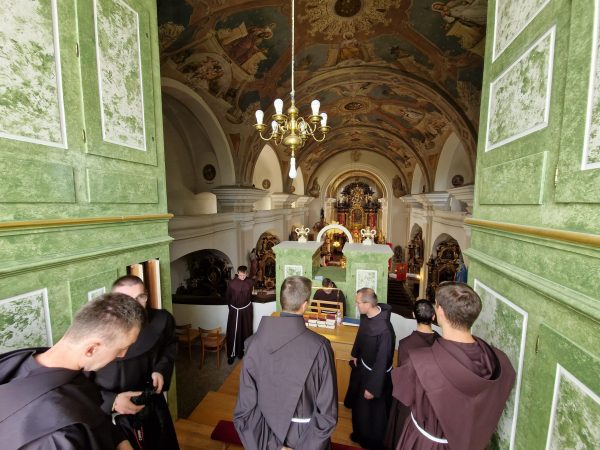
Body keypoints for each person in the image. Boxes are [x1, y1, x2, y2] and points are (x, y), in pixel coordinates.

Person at [0, 293, 146, 450]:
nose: (122, 355)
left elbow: (95, 416)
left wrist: (120, 441)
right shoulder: (57, 436)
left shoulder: (19, 360)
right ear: (91, 349)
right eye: (122, 348)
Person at [392, 282, 516, 450]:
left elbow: (404, 397)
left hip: (428, 445)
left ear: (440, 312)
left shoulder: (420, 362)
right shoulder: (501, 361)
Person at [233, 276, 338, 450]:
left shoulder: (252, 344)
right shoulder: (320, 348)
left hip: (263, 436)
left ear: (281, 301)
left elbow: (245, 409)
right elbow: (327, 413)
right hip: (306, 439)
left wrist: (273, 446)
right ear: (305, 305)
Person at [91, 276, 179, 450]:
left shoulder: (162, 319)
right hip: (111, 413)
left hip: (151, 401)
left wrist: (161, 369)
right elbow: (78, 381)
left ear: (146, 295)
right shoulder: (95, 332)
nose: (135, 305)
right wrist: (112, 401)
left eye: (140, 297)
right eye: (126, 299)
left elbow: (170, 345)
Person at [384, 299, 439, 450]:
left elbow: (403, 376)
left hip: (410, 399)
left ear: (413, 315)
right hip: (434, 401)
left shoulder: (405, 344)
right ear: (433, 316)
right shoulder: (441, 343)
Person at [348, 288, 396, 450]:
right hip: (363, 368)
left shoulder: (385, 330)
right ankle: (359, 434)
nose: (356, 305)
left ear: (368, 304)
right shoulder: (366, 316)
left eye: (358, 303)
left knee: (373, 414)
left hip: (376, 377)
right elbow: (361, 334)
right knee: (359, 408)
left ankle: (372, 442)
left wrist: (372, 388)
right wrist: (356, 354)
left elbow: (383, 361)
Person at [226, 265, 254, 364]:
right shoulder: (231, 283)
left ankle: (244, 352)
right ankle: (232, 354)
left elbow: (250, 295)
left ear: (246, 273)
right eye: (240, 275)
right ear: (237, 273)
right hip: (235, 311)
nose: (242, 277)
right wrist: (233, 308)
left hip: (246, 311)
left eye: (244, 275)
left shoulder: (250, 282)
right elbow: (228, 297)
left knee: (246, 331)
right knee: (233, 332)